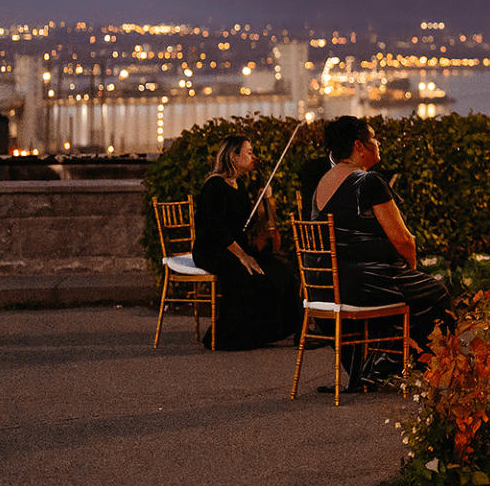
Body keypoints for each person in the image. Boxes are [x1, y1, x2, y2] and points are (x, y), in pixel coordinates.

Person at [307, 116, 452, 390]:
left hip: (324, 288)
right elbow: (404, 240)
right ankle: (430, 372)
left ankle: (371, 371)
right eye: (374, 137)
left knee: (411, 293)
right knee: (436, 293)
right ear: (359, 145)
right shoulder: (368, 182)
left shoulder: (322, 183)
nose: (379, 142)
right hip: (366, 285)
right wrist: (410, 271)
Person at [191, 135, 301, 350]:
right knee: (246, 274)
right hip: (214, 249)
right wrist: (243, 256)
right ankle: (226, 336)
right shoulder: (214, 186)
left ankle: (270, 330)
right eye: (249, 152)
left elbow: (248, 223)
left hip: (238, 247)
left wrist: (264, 200)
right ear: (233, 156)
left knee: (281, 269)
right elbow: (216, 230)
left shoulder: (238, 185)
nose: (253, 156)